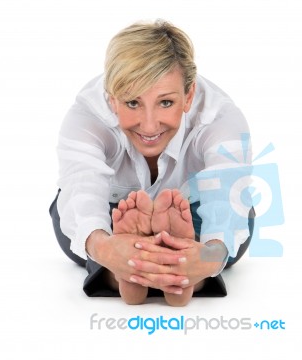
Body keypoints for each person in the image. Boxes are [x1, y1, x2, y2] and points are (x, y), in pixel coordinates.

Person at [49, 20, 255, 306]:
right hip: (110, 212)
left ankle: (126, 275)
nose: (149, 126)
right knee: (74, 226)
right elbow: (81, 189)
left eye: (166, 103)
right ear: (111, 100)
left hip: (196, 210)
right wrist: (104, 245)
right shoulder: (87, 115)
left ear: (189, 95)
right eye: (133, 103)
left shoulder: (221, 118)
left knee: (232, 233)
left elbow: (227, 200)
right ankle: (180, 278)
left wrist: (210, 254)